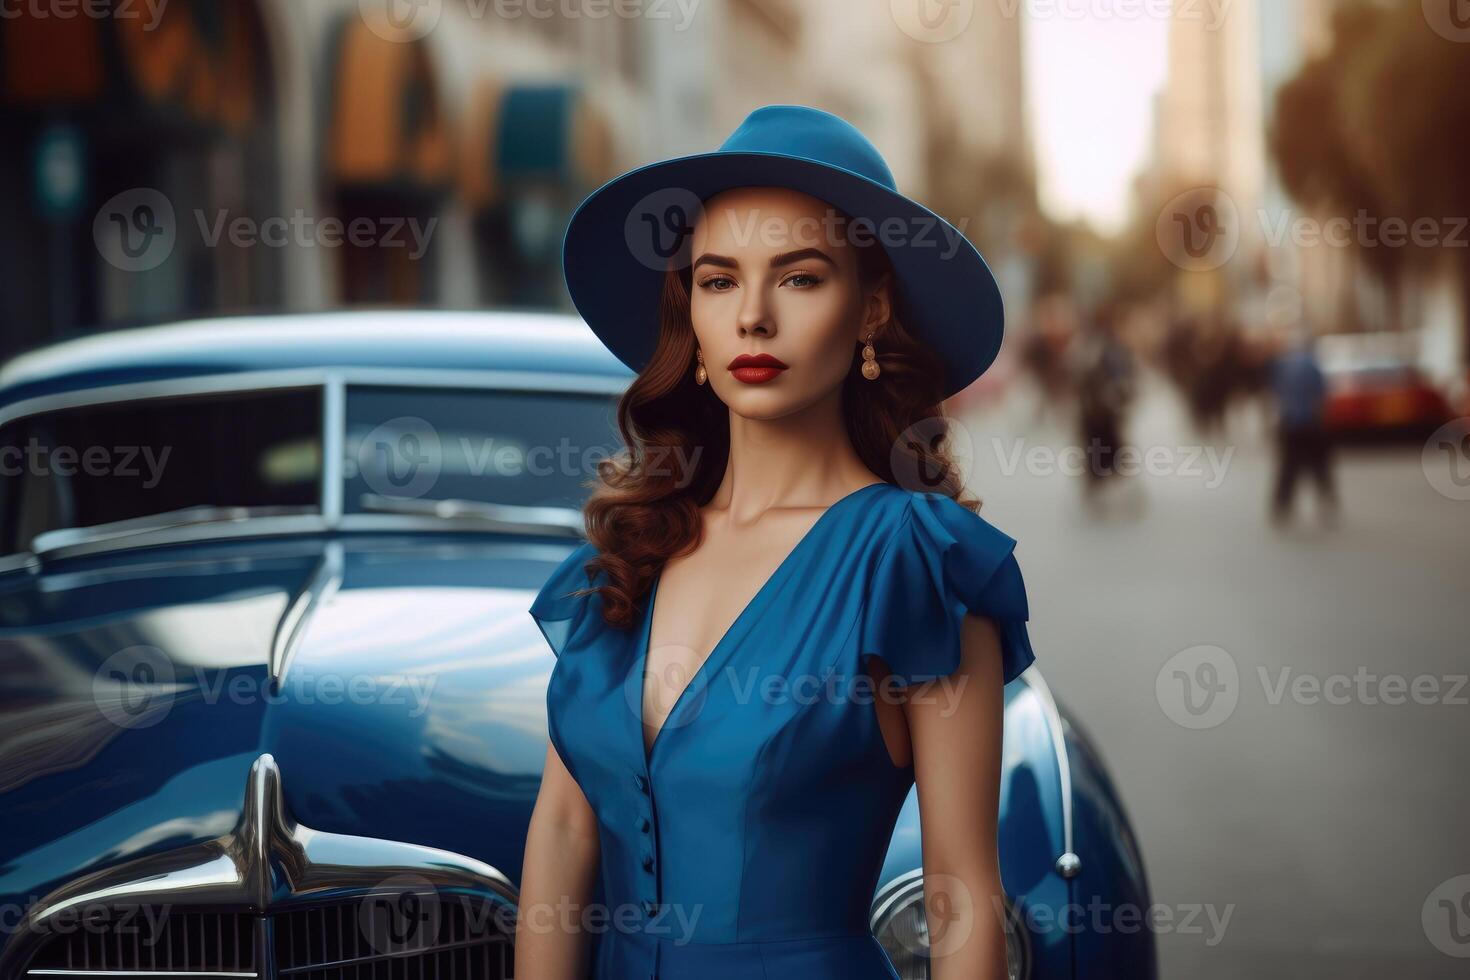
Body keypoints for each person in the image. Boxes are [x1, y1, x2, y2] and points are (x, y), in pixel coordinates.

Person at [517, 105, 1037, 980]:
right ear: (691, 310)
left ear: (871, 307)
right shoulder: (627, 553)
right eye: (719, 281)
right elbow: (563, 831)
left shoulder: (918, 566)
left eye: (799, 279)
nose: (752, 317)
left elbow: (961, 892)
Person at [1268, 324, 1339, 526]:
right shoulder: (1312, 365)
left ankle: (1282, 504)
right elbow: (1321, 396)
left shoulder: (1284, 365)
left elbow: (1276, 393)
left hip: (1290, 423)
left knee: (1288, 467)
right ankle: (1327, 501)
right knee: (1320, 466)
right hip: (1310, 423)